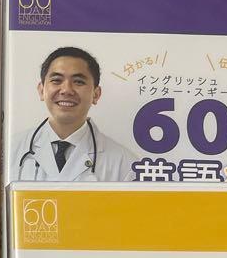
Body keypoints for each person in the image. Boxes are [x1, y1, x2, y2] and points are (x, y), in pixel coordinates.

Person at [9, 46, 135, 181]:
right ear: (41, 90)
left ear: (96, 94)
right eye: (56, 80)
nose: (66, 90)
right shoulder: (9, 151)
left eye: (78, 82)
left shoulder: (124, 164)